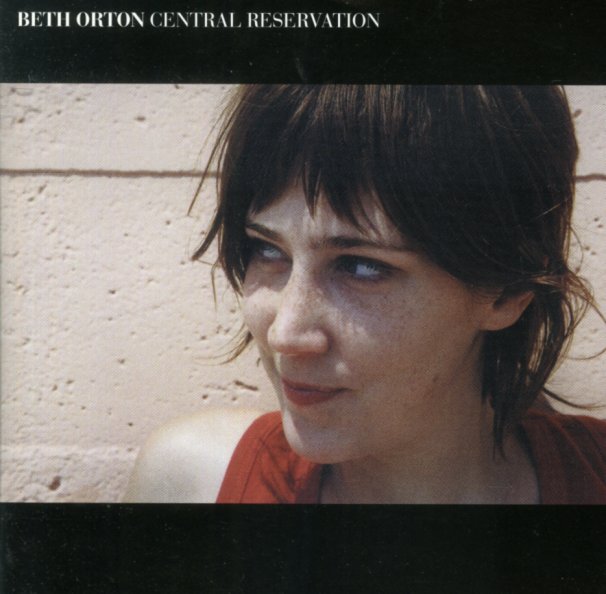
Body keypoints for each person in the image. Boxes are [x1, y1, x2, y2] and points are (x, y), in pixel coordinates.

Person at [124, 85, 605, 504]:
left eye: (361, 266)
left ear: (507, 292)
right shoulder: (194, 483)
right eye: (267, 250)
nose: (285, 334)